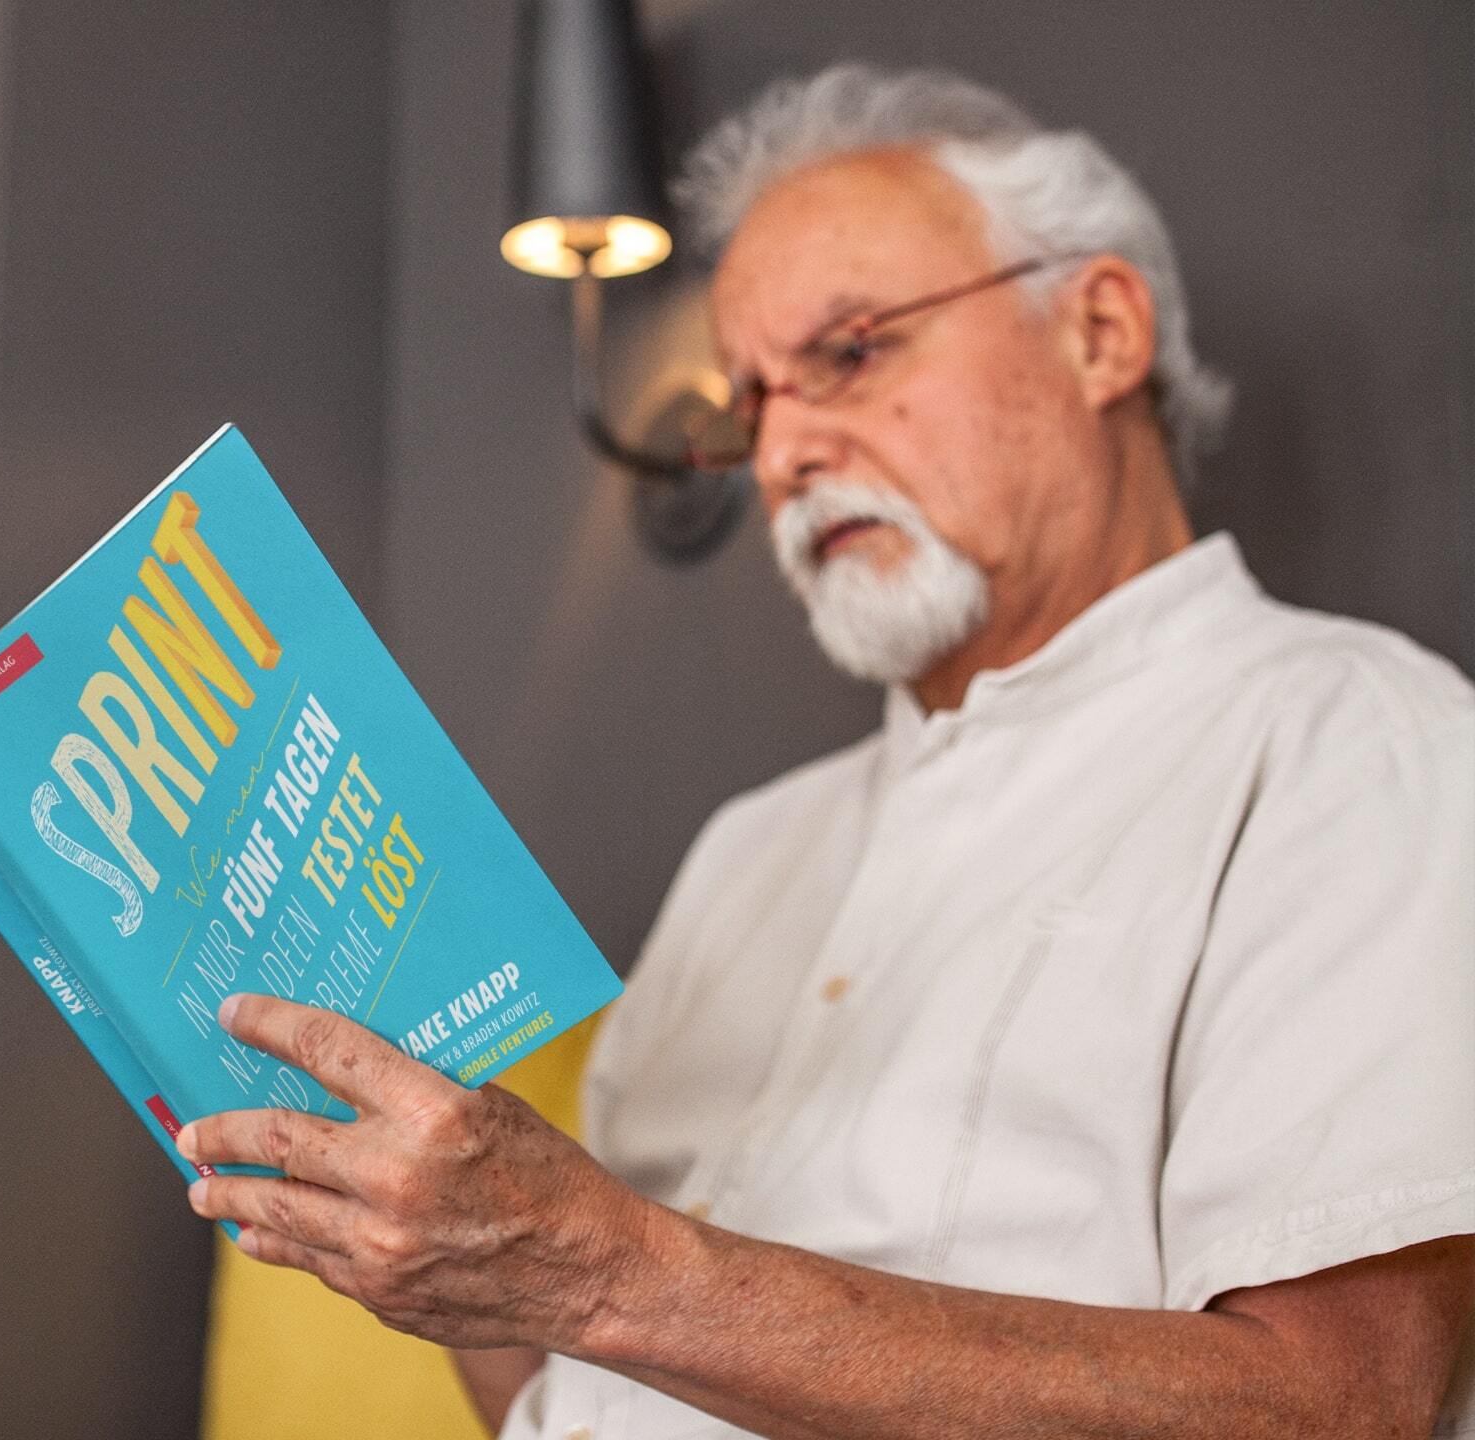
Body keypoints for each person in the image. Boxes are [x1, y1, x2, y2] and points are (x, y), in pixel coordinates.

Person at [174, 62, 1475, 1439]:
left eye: (851, 352)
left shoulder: (1352, 742)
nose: (786, 450)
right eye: (754, 404)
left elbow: (1334, 1408)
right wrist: (449, 1248)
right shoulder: (750, 849)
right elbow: (564, 1397)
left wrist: (606, 1269)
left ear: (1099, 333)